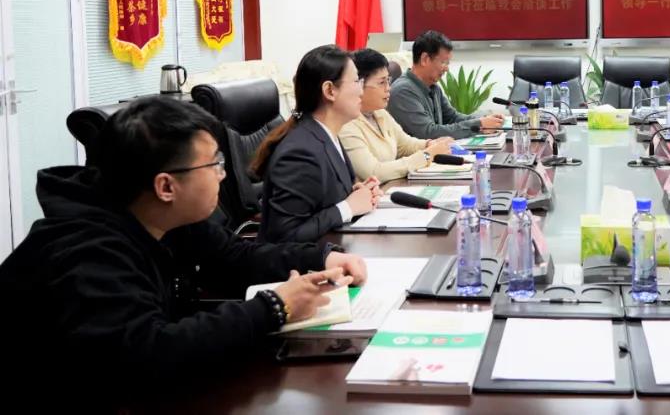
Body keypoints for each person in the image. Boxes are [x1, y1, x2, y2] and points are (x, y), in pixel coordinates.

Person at [0, 96, 368, 406]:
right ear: (166, 187)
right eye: (215, 164)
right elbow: (148, 353)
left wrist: (320, 257)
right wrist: (273, 307)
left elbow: (234, 259)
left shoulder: (163, 213)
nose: (224, 175)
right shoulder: (86, 251)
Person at [254, 44, 381, 243]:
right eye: (357, 81)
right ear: (330, 90)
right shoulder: (299, 152)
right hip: (300, 262)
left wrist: (357, 194)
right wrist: (348, 207)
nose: (361, 91)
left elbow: (321, 201)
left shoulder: (326, 134)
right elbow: (285, 236)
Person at [340, 49, 455, 181]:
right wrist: (427, 155)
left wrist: (430, 144)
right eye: (381, 82)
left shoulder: (380, 112)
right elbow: (374, 172)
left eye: (388, 81)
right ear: (359, 85)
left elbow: (404, 145)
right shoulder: (346, 124)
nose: (388, 88)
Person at [386, 30, 503, 139]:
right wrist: (479, 125)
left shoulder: (433, 87)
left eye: (448, 63)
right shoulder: (403, 91)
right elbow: (428, 132)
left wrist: (484, 120)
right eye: (443, 62)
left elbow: (452, 118)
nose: (447, 69)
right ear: (425, 59)